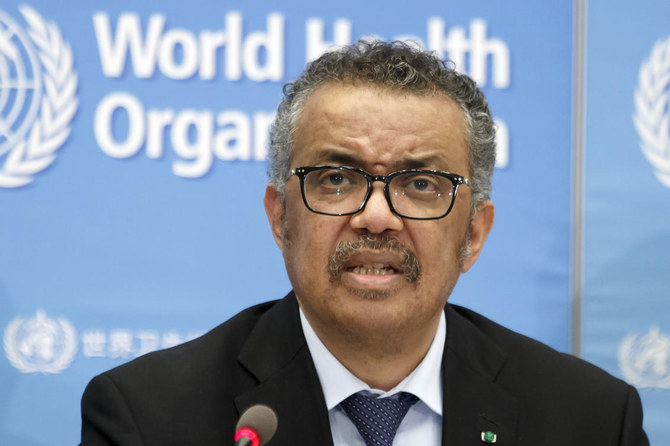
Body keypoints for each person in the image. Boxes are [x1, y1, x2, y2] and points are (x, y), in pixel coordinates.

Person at [80, 41, 649, 446]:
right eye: (336, 179)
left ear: (474, 233)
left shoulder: (590, 421)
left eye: (421, 184)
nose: (376, 217)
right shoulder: (149, 418)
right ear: (280, 218)